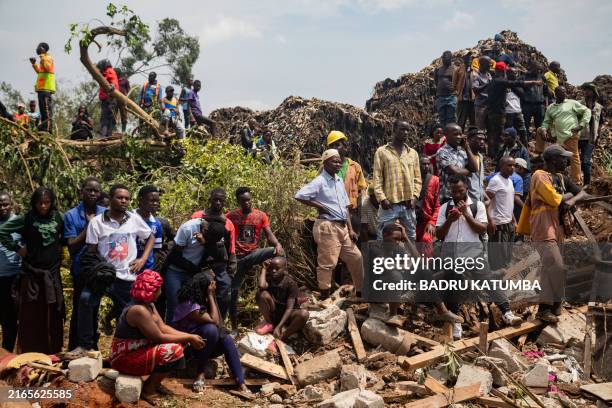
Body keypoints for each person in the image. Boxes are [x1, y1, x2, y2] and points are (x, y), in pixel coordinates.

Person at [436, 175, 521, 339]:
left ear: (467, 188)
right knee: (454, 285)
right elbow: (439, 234)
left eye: (460, 191)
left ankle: (507, 313)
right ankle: (456, 325)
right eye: (454, 192)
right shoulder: (445, 208)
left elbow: (482, 229)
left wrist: (466, 214)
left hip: (473, 253)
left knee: (488, 281)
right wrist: (450, 220)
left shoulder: (477, 206)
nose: (457, 195)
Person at [75, 184, 155, 354]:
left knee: (129, 314)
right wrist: (98, 269)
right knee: (85, 300)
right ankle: (85, 345)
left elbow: (150, 236)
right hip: (104, 276)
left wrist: (143, 259)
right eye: (120, 197)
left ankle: (127, 349)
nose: (124, 201)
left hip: (127, 276)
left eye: (127, 198)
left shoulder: (134, 219)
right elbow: (91, 251)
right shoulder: (97, 222)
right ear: (110, 199)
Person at [110, 270, 203, 405]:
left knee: (180, 344)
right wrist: (188, 337)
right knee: (173, 350)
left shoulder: (149, 305)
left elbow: (163, 327)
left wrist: (188, 337)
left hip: (135, 350)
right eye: (159, 289)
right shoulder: (138, 310)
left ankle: (154, 383)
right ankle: (149, 389)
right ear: (152, 290)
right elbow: (159, 337)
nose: (161, 291)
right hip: (123, 357)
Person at [517, 145, 588, 323]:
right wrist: (567, 196)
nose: (566, 160)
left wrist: (572, 199)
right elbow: (553, 199)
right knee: (556, 266)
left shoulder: (562, 178)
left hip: (558, 228)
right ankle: (545, 307)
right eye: (562, 158)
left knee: (554, 266)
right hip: (543, 226)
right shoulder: (539, 175)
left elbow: (583, 193)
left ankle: (554, 305)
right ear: (552, 160)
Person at [0, 187, 64, 354]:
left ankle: (52, 351)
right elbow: (3, 232)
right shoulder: (26, 219)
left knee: (54, 312)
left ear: (52, 203)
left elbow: (64, 237)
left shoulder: (58, 217)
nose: (43, 206)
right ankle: (30, 351)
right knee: (31, 315)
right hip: (32, 274)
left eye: (47, 202)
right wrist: (18, 248)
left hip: (52, 274)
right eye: (40, 203)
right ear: (34, 203)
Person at [295, 149, 364, 299]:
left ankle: (360, 292)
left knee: (356, 257)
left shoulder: (338, 180)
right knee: (328, 264)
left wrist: (351, 229)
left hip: (342, 227)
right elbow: (300, 195)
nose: (338, 164)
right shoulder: (320, 181)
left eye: (339, 161)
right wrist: (319, 205)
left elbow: (345, 207)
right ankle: (325, 297)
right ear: (325, 163)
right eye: (334, 161)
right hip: (327, 226)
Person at [172, 272, 248, 393]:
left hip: (203, 345)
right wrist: (211, 296)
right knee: (211, 329)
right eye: (212, 286)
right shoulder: (189, 305)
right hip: (188, 348)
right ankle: (200, 372)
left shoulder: (201, 301)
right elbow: (215, 321)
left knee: (226, 338)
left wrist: (210, 297)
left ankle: (241, 382)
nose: (215, 288)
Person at [227, 187, 283, 331]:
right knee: (232, 292)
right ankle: (233, 328)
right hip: (238, 258)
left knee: (277, 253)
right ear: (238, 201)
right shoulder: (230, 216)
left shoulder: (260, 215)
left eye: (249, 200)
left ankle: (282, 292)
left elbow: (269, 234)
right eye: (243, 201)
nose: (247, 203)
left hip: (254, 254)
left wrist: (277, 244)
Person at [63, 178, 105, 351]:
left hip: (103, 268)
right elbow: (72, 246)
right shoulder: (71, 215)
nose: (93, 194)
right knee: (81, 307)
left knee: (94, 308)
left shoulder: (106, 212)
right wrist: (90, 225)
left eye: (96, 191)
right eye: (89, 190)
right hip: (82, 268)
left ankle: (92, 345)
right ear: (82, 191)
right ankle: (76, 346)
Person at [372, 120, 422, 241]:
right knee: (383, 237)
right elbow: (377, 177)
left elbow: (417, 179)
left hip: (408, 206)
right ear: (394, 130)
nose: (405, 132)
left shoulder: (413, 153)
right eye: (402, 129)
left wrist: (415, 197)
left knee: (410, 237)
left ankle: (408, 260)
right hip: (389, 205)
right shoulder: (382, 152)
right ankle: (385, 260)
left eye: (407, 130)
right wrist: (382, 199)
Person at [485, 61, 541, 158]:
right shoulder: (500, 81)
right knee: (499, 136)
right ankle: (498, 156)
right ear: (502, 71)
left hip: (495, 111)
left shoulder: (494, 81)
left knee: (496, 134)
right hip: (498, 113)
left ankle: (495, 155)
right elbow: (517, 83)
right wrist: (534, 82)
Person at [539, 86, 591, 184]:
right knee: (559, 157)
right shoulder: (551, 107)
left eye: (565, 92)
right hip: (559, 138)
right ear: (556, 94)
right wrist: (544, 130)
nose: (564, 94)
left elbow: (587, 111)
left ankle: (577, 181)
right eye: (561, 92)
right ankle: (559, 179)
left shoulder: (572, 103)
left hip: (571, 134)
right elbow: (546, 122)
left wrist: (581, 125)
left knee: (573, 156)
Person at [255, 257, 309, 339]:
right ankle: (270, 324)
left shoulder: (290, 283)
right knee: (261, 294)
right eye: (272, 268)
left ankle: (283, 337)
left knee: (304, 314)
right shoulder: (270, 278)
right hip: (275, 313)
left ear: (284, 269)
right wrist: (264, 269)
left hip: (288, 315)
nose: (273, 271)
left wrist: (280, 326)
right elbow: (261, 286)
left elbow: (289, 308)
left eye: (277, 268)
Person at [326, 130, 368, 225]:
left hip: (352, 213)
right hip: (332, 213)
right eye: (331, 146)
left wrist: (363, 217)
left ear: (345, 147)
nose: (334, 148)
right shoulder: (325, 167)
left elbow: (361, 192)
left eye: (337, 145)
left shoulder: (355, 166)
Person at [486, 157, 517, 271]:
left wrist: (513, 218)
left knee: (507, 254)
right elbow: (487, 202)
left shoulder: (509, 181)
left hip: (508, 222)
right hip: (498, 224)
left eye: (513, 165)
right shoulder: (495, 181)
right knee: (497, 256)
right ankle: (496, 282)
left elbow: (507, 202)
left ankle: (505, 279)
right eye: (509, 165)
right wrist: (490, 220)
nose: (512, 168)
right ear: (501, 166)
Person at [436, 123, 478, 204]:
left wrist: (467, 148)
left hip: (463, 195)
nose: (459, 137)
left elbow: (475, 168)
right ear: (446, 135)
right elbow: (455, 171)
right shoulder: (442, 152)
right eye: (455, 134)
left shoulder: (462, 152)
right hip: (448, 196)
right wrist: (469, 172)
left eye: (460, 134)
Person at [0, 192, 21, 351]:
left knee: (11, 319)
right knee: (4, 318)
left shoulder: (19, 222)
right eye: (0, 205)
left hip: (13, 278)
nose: (2, 208)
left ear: (11, 204)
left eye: (5, 204)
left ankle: (8, 354)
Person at [578, 82, 605, 186]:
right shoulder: (579, 104)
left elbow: (600, 123)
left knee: (586, 161)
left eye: (589, 90)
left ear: (593, 92)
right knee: (574, 160)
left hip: (590, 138)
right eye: (585, 90)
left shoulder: (598, 107)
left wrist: (598, 136)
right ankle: (575, 182)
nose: (586, 92)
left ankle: (586, 185)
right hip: (579, 136)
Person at [415, 157, 440, 255]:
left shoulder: (435, 180)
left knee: (426, 240)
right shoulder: (412, 180)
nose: (426, 166)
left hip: (428, 221)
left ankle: (427, 268)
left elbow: (437, 205)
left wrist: (432, 222)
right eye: (423, 164)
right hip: (414, 221)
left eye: (428, 164)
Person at [30, 42, 55, 132]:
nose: (37, 49)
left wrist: (42, 57)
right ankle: (44, 126)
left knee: (46, 110)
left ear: (43, 49)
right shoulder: (43, 59)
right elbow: (40, 71)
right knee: (43, 111)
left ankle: (48, 129)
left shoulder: (48, 58)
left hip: (46, 89)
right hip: (41, 89)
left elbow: (48, 68)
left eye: (39, 48)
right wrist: (34, 64)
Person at [521, 61, 548, 141]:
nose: (538, 71)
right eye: (536, 69)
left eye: (539, 69)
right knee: (525, 124)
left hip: (540, 105)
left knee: (540, 126)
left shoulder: (542, 77)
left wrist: (546, 105)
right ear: (531, 68)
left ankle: (539, 144)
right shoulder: (524, 77)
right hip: (527, 104)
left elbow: (545, 92)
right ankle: (526, 142)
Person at [434, 51, 460, 126]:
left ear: (451, 59)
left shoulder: (455, 69)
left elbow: (458, 82)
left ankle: (451, 134)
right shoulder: (438, 69)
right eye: (444, 58)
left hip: (451, 96)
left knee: (451, 117)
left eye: (447, 59)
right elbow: (436, 81)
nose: (445, 60)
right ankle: (444, 135)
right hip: (441, 97)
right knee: (442, 118)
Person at [504, 69, 528, 146]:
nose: (516, 74)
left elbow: (522, 94)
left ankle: (525, 148)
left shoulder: (517, 84)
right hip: (507, 112)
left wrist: (512, 85)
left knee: (522, 131)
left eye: (516, 73)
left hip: (518, 111)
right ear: (508, 73)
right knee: (508, 132)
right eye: (513, 73)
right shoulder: (503, 83)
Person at [97, 59, 119, 138]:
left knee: (106, 118)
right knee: (107, 118)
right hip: (106, 99)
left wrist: (112, 86)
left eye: (100, 68)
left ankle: (105, 136)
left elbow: (114, 82)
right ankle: (106, 135)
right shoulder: (105, 72)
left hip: (109, 99)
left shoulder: (109, 71)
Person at [466, 128, 487, 203]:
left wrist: (485, 197)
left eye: (483, 140)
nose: (482, 142)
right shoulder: (463, 155)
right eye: (479, 139)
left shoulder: (480, 156)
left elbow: (479, 181)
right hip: (467, 201)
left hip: (479, 201)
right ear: (469, 140)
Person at [472, 56, 492, 131]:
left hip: (489, 105)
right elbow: (475, 89)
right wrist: (487, 84)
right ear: (482, 64)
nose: (490, 66)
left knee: (490, 127)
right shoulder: (476, 75)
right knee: (480, 128)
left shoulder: (488, 75)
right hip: (480, 105)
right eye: (488, 64)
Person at [456, 52, 475, 129]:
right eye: (468, 59)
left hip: (472, 99)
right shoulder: (458, 70)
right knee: (461, 120)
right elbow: (454, 84)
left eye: (471, 59)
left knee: (473, 120)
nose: (470, 61)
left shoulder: (474, 70)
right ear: (464, 60)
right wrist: (457, 93)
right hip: (463, 99)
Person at [115, 68, 130, 133]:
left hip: (122, 100)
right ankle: (113, 130)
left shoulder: (125, 80)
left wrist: (128, 101)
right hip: (115, 100)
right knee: (113, 115)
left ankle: (123, 131)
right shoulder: (114, 80)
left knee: (124, 116)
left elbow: (129, 90)